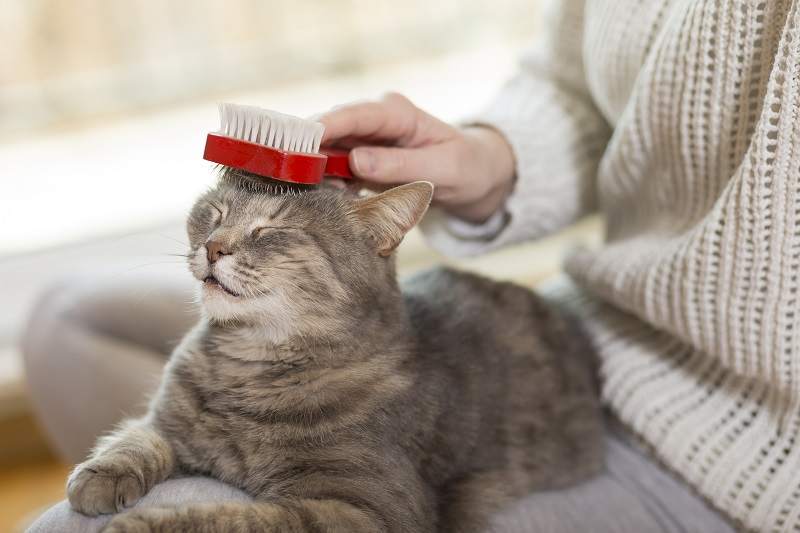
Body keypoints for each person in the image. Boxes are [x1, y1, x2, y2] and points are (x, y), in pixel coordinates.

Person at [25, 0, 800, 530]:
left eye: (264, 235)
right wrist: (491, 157)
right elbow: (575, 83)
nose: (218, 246)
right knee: (64, 317)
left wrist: (214, 514)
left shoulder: (384, 397)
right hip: (590, 318)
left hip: (723, 462)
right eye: (221, 221)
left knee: (95, 523)